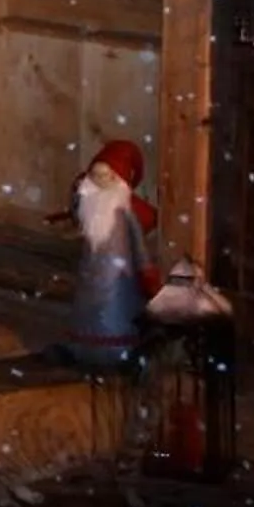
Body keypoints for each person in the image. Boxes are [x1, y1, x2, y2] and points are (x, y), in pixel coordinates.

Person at [64, 138, 159, 367]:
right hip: (91, 275)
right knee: (88, 311)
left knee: (115, 311)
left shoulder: (126, 213)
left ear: (118, 179)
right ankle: (85, 348)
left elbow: (138, 245)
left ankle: (117, 352)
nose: (99, 181)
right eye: (95, 175)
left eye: (106, 176)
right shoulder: (88, 204)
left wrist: (147, 272)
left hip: (118, 277)